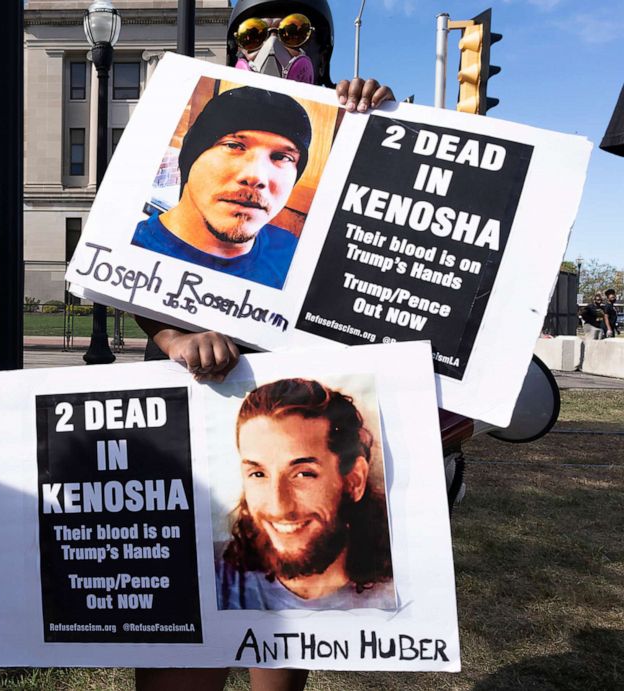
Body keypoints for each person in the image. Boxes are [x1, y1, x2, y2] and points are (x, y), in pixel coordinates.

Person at [134, 2, 395, 688]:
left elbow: (383, 268)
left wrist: (388, 135)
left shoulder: (295, 240)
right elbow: (128, 294)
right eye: (253, 34)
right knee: (178, 646)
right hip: (183, 431)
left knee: (276, 653)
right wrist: (172, 334)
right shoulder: (147, 234)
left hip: (284, 431)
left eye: (297, 31)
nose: (276, 45)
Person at [216, 378, 394, 611]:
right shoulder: (212, 576)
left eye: (303, 474)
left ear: (354, 481)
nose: (279, 507)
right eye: (258, 474)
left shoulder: (400, 592)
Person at [131, 86, 311, 289]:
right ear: (192, 158)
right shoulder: (131, 251)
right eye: (233, 146)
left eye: (282, 157)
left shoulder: (292, 254)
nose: (256, 177)